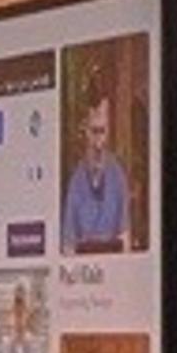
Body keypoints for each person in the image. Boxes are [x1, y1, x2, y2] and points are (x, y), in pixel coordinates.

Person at [62, 86, 134, 254]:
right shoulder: (76, 181)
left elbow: (125, 236)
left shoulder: (118, 176)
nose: (98, 140)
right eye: (94, 131)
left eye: (102, 131)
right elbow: (68, 243)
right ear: (86, 131)